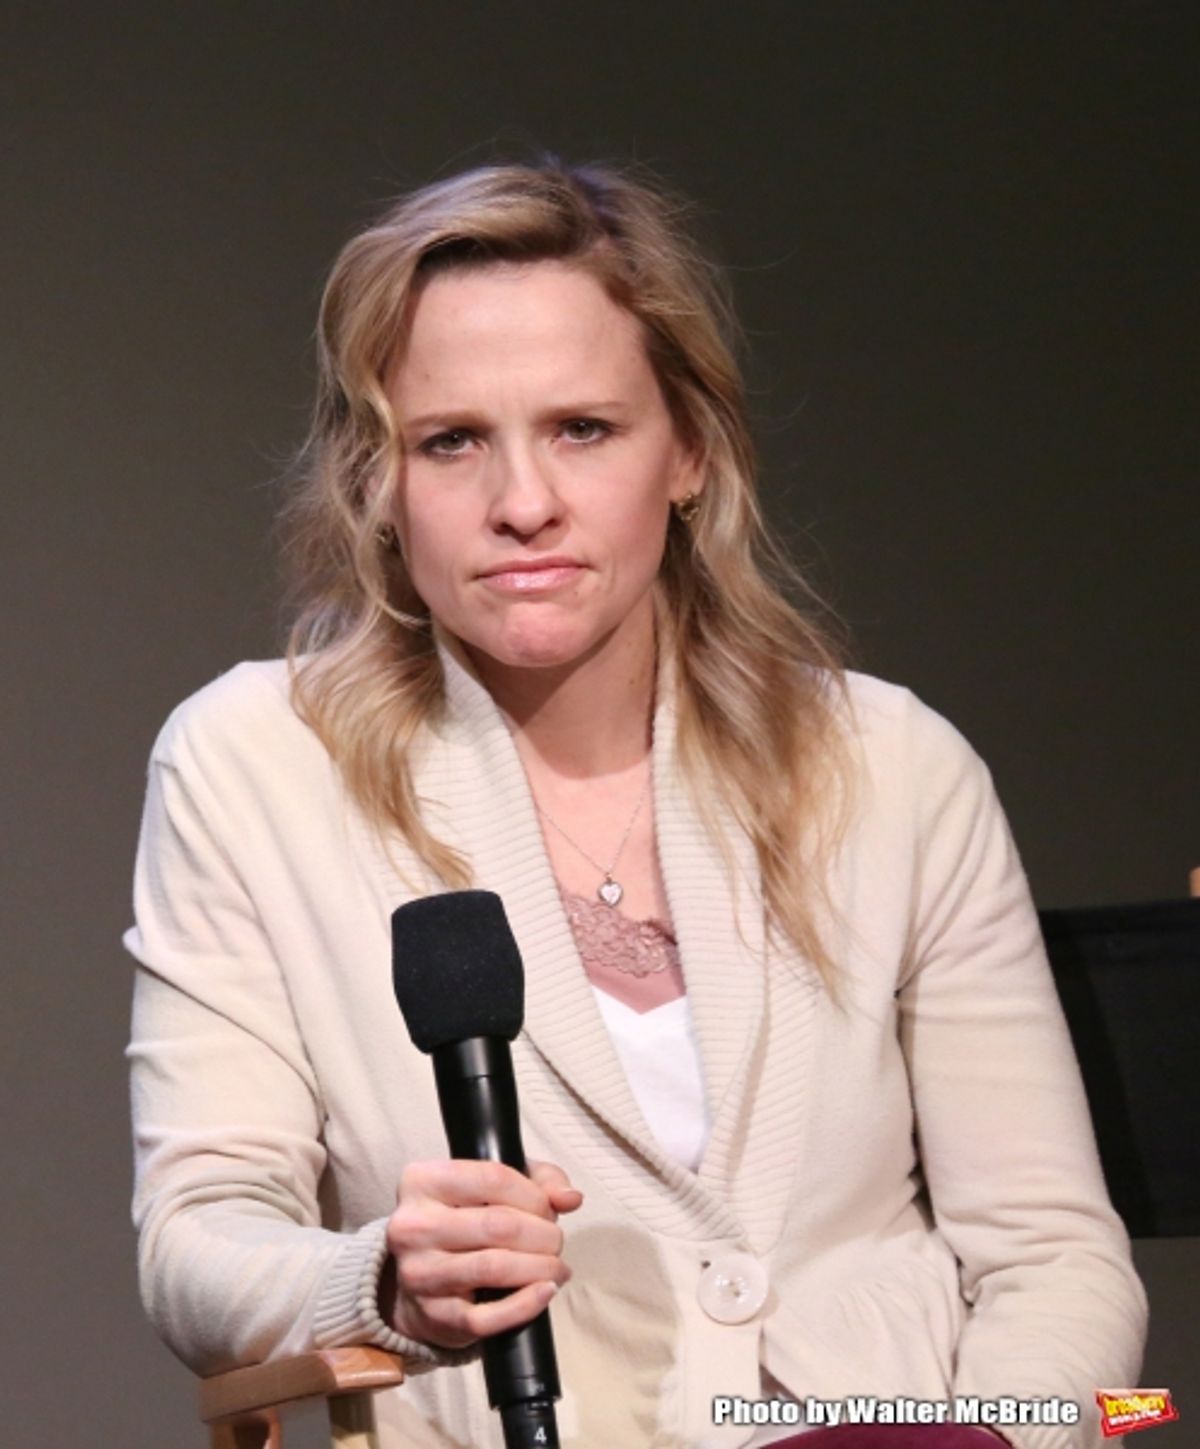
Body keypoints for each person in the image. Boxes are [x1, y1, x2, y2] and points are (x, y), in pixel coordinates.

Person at [125, 158, 1146, 1449]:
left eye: (582, 429)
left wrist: (999, 1440)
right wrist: (380, 1276)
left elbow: (1054, 1252)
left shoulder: (895, 764)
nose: (523, 502)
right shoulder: (253, 760)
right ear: (378, 484)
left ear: (693, 453)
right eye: (451, 440)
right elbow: (196, 1238)